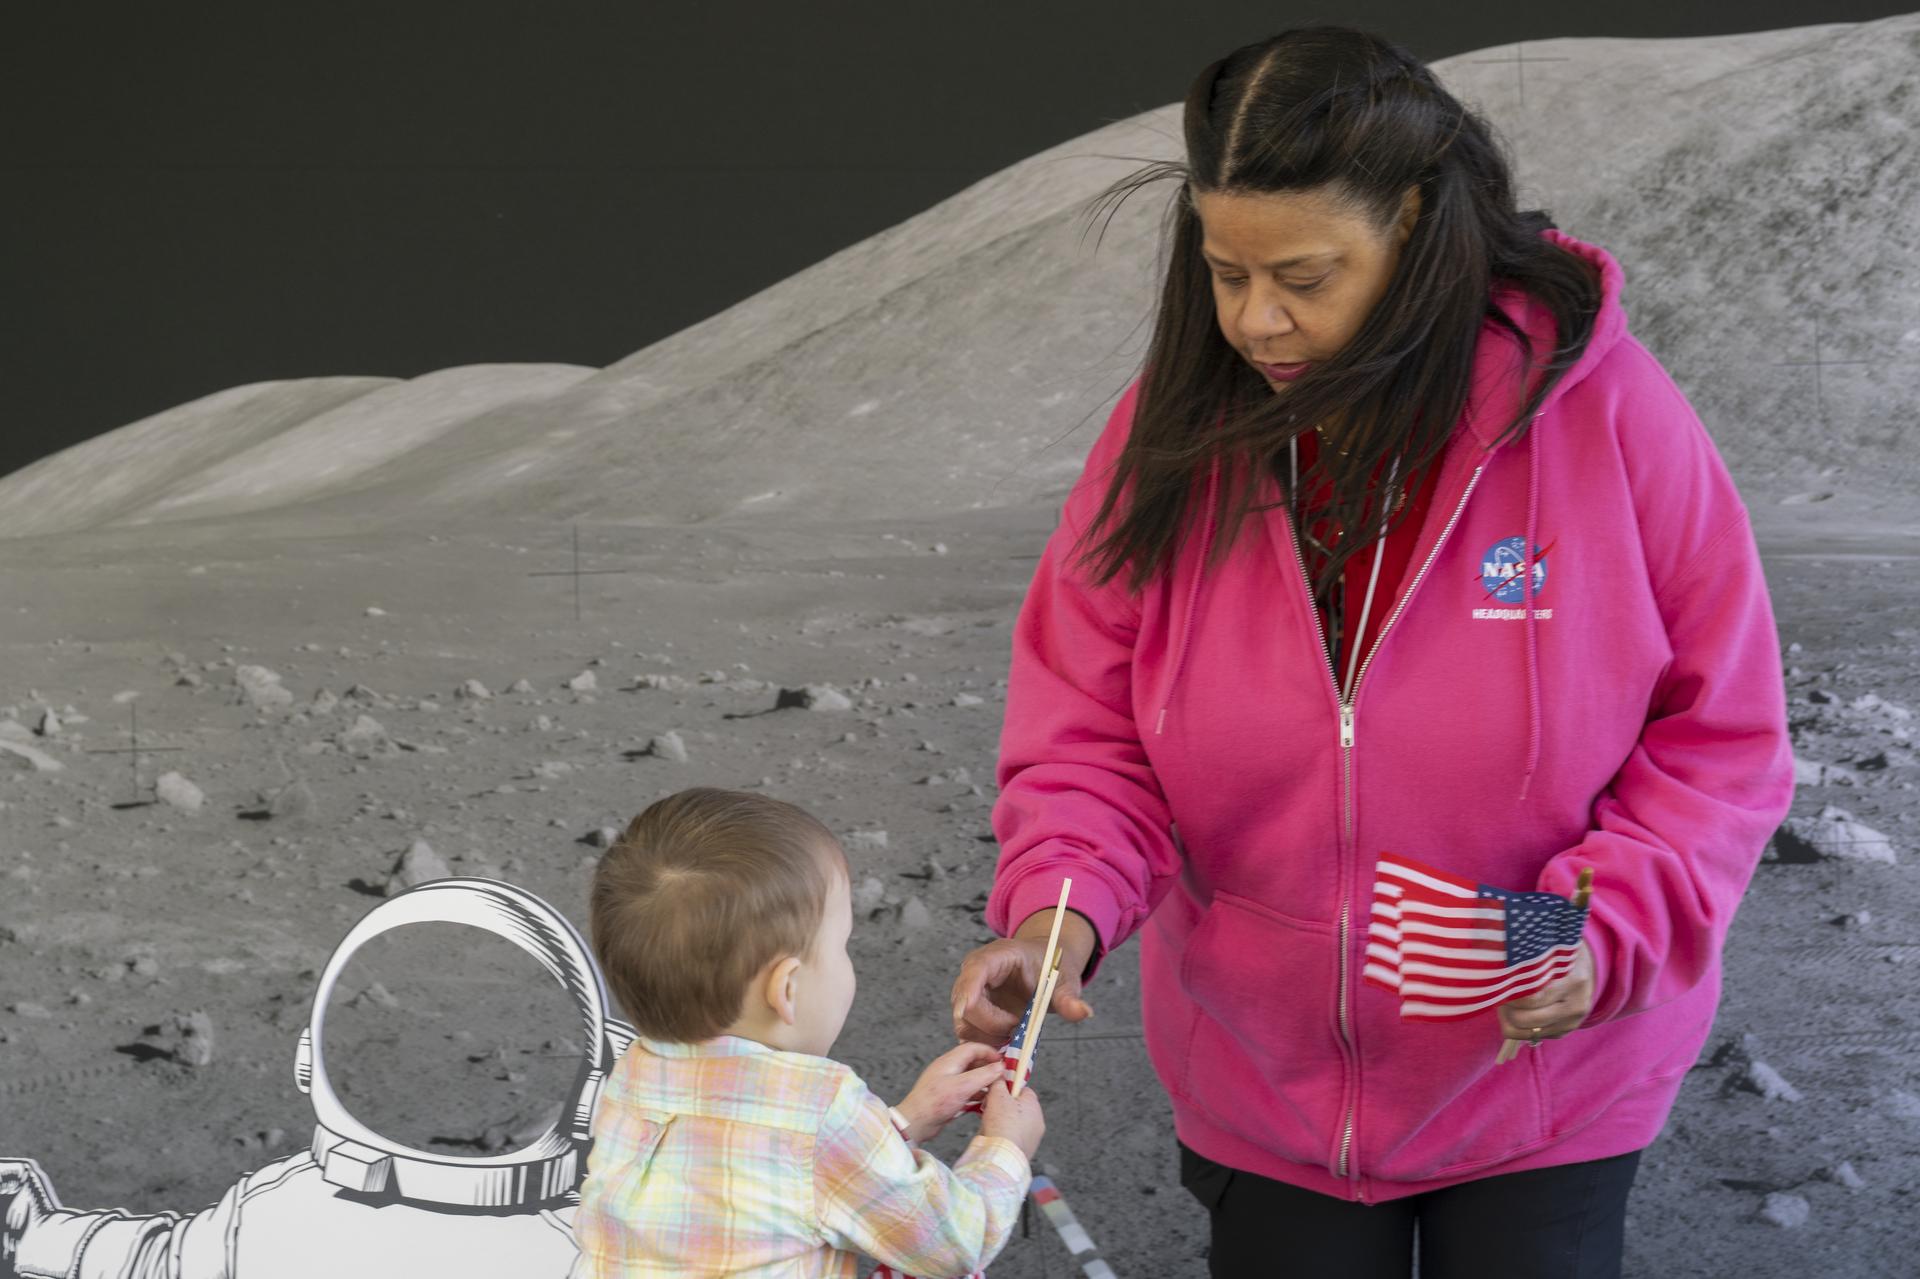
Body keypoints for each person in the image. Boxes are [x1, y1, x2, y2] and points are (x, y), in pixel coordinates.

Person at [948, 24, 1793, 1279]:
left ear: (1416, 225)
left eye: (1302, 272)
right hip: (1265, 1088)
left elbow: (1720, 734)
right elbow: (1088, 722)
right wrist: (1058, 910)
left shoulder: (1608, 416)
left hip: (1542, 1083)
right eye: (1225, 273)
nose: (1254, 319)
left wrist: (1607, 927)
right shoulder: (1168, 438)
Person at [575, 787, 1045, 1278]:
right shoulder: (822, 1108)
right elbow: (953, 1243)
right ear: (789, 989)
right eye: (842, 944)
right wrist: (1005, 1148)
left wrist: (906, 1122)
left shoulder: (632, 1077)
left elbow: (773, 1170)